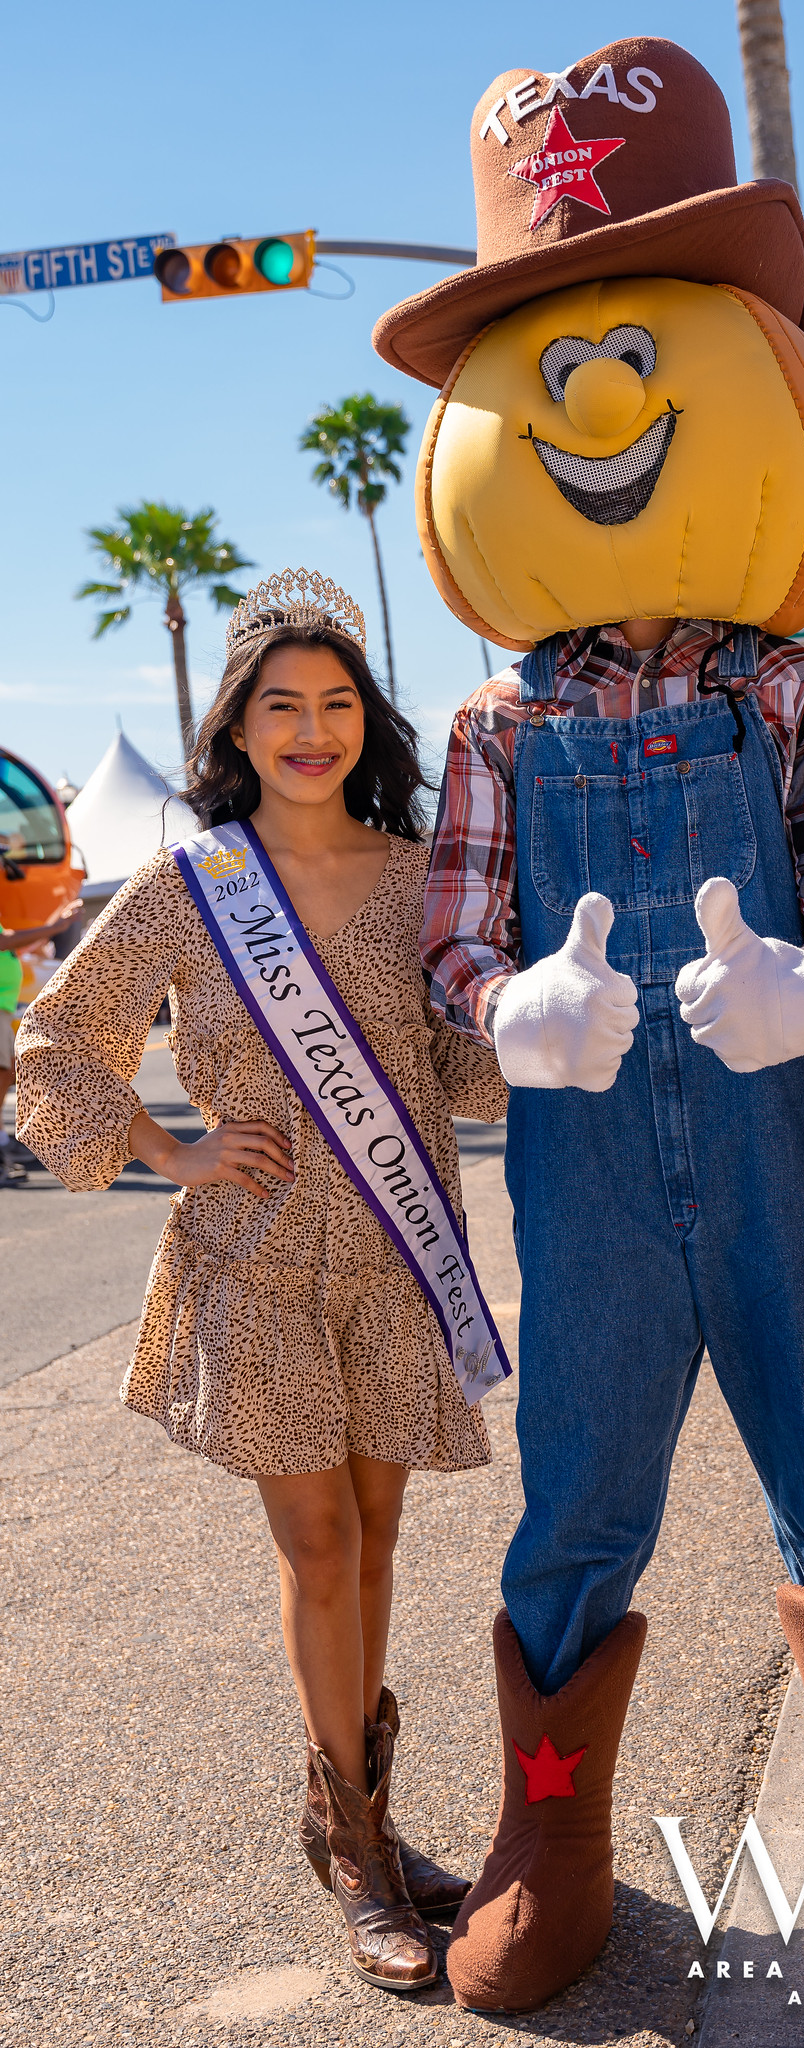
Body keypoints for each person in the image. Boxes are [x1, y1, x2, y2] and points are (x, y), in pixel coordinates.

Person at [374, 36, 804, 2013]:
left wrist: (803, 980)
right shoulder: (496, 722)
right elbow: (456, 945)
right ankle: (546, 1827)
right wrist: (510, 1009)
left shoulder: (793, 691)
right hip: (584, 1173)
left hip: (778, 1139)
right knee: (579, 1477)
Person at [15, 572, 507, 1992]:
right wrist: (167, 1149)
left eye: (337, 702)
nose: (312, 729)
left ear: (368, 722)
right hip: (262, 1258)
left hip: (400, 1254)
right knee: (318, 1548)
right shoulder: (190, 885)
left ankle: (353, 1811)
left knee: (376, 1532)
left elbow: (461, 1068)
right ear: (239, 723)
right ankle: (359, 1852)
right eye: (282, 705)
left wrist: (529, 1009)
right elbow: (56, 1040)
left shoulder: (423, 879)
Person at [0, 900, 80, 1183]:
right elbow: (4, 941)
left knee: (7, 1075)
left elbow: (15, 945)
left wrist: (55, 922)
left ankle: (3, 1146)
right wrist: (56, 926)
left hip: (4, 1009)